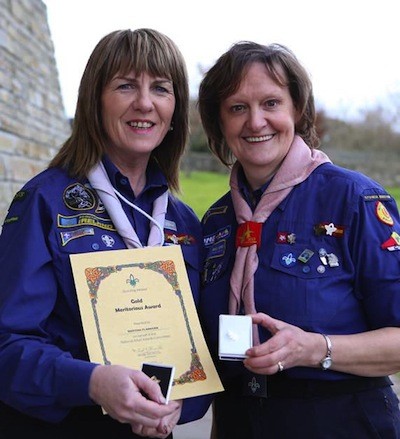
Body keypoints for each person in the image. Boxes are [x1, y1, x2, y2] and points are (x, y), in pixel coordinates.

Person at [0, 28, 210, 438]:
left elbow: (198, 348)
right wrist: (92, 383)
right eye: (126, 86)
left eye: (161, 89)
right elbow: (6, 342)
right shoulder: (44, 202)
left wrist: (180, 403)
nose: (144, 103)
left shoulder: (185, 224)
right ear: (95, 100)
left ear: (175, 111)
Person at [198, 40, 400, 438]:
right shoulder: (215, 221)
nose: (256, 122)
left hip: (341, 421)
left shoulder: (354, 200)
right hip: (241, 420)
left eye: (271, 103)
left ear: (298, 110)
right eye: (238, 108)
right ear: (219, 122)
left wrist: (316, 348)